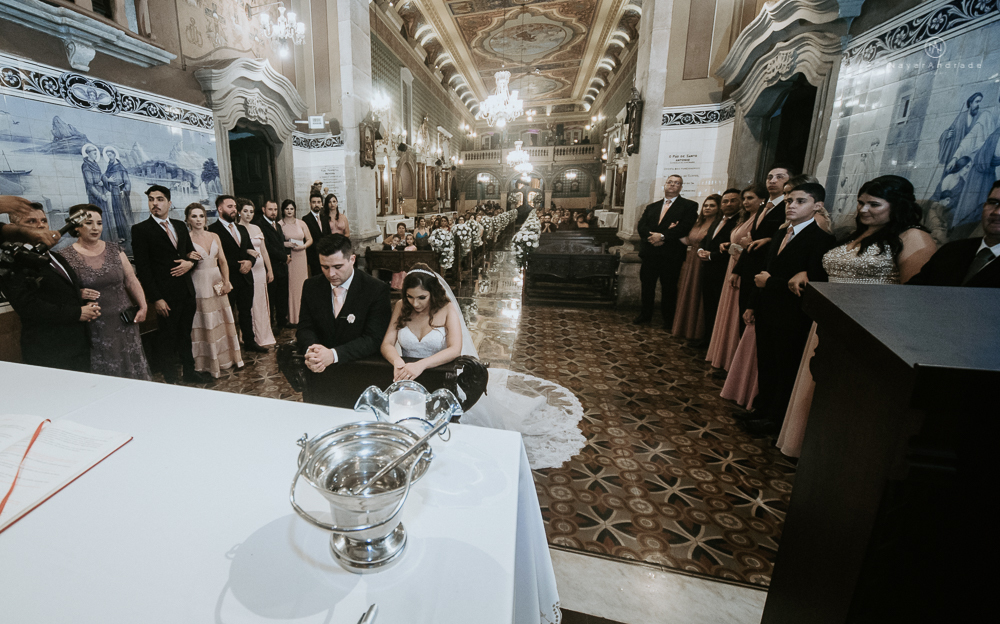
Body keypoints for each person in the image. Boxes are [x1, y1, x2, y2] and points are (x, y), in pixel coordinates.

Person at [777, 175, 937, 456]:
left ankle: (831, 454)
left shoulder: (913, 238)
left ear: (897, 205)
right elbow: (834, 269)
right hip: (829, 322)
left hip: (868, 328)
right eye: (861, 203)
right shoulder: (858, 234)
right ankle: (807, 447)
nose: (863, 210)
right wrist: (809, 274)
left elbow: (913, 297)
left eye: (873, 204)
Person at [379, 264, 587, 470]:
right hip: (407, 377)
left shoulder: (447, 308)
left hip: (441, 375)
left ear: (432, 292)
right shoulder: (400, 307)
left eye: (421, 297)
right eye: (410, 297)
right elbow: (387, 343)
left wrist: (421, 365)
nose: (415, 303)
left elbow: (454, 349)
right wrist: (398, 361)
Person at [741, 182, 837, 435]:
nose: (791, 206)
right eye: (788, 201)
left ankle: (775, 418)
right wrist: (752, 304)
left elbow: (810, 283)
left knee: (784, 366)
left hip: (791, 315)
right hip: (766, 309)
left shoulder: (821, 240)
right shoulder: (783, 234)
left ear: (817, 206)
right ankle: (761, 409)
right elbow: (764, 271)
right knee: (767, 362)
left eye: (800, 201)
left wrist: (770, 283)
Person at [0, 203, 95, 372]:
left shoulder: (56, 257)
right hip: (49, 351)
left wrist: (81, 297)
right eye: (31, 221)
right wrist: (77, 313)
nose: (40, 225)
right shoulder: (12, 263)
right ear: (14, 229)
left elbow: (57, 290)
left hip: (78, 347)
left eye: (44, 220)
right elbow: (27, 306)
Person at [62, 204, 151, 380]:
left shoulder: (114, 249)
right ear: (76, 227)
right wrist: (78, 293)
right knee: (106, 366)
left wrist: (143, 306)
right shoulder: (65, 256)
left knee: (132, 362)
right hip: (95, 324)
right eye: (89, 222)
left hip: (124, 319)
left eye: (99, 223)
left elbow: (131, 279)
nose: (96, 228)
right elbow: (61, 292)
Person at [131, 185, 209, 383]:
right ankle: (171, 378)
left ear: (169, 202)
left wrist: (189, 263)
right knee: (167, 338)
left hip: (186, 292)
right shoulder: (141, 230)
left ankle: (190, 372)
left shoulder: (180, 226)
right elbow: (144, 268)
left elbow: (193, 254)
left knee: (185, 335)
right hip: (165, 296)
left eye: (159, 199)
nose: (155, 203)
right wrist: (156, 298)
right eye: (151, 199)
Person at [297, 234, 392, 371]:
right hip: (317, 370)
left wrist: (334, 355)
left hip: (360, 369)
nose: (331, 274)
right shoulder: (311, 286)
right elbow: (305, 327)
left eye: (338, 266)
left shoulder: (376, 289)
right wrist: (312, 352)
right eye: (325, 267)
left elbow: (374, 338)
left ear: (352, 259)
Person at [707, 183, 766, 372]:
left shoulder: (760, 220)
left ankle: (732, 360)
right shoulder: (745, 218)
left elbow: (755, 248)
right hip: (734, 266)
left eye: (750, 198)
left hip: (743, 269)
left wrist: (744, 248)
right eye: (745, 198)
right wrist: (728, 244)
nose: (745, 202)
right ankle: (722, 356)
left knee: (736, 314)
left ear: (762, 200)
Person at [634, 175, 699, 328]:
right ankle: (645, 314)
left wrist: (662, 236)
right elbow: (642, 226)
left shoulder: (689, 206)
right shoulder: (652, 207)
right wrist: (654, 237)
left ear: (681, 187)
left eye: (677, 183)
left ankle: (668, 319)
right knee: (647, 286)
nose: (672, 185)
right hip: (650, 253)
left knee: (669, 288)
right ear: (665, 185)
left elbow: (684, 227)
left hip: (671, 255)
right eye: (670, 182)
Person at [185, 204, 243, 377]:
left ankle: (229, 359)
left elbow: (223, 261)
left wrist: (226, 281)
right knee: (205, 322)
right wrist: (187, 256)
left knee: (223, 319)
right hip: (199, 283)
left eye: (201, 216)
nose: (198, 220)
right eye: (194, 216)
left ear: (205, 218)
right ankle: (208, 364)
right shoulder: (186, 239)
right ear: (188, 219)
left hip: (217, 281)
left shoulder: (214, 236)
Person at [733, 164, 794, 324]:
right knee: (743, 315)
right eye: (769, 177)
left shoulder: (787, 208)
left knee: (756, 320)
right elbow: (750, 239)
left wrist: (768, 241)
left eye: (780, 177)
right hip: (749, 268)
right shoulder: (764, 207)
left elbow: (783, 241)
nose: (773, 181)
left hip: (766, 270)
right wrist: (738, 269)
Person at [908, 181, 1000, 287]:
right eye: (994, 203)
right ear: (984, 206)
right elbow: (913, 290)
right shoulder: (951, 250)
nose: (997, 212)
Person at [209, 195, 265, 353]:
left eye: (234, 207)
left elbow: (250, 251)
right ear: (220, 209)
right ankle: (230, 347)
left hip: (246, 278)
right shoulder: (213, 231)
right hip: (228, 279)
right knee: (227, 313)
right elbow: (219, 257)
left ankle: (250, 342)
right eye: (229, 207)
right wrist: (238, 266)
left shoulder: (241, 229)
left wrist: (249, 263)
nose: (234, 210)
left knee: (246, 311)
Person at [671, 194, 719, 341]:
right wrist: (675, 230)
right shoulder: (698, 223)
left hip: (703, 262)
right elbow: (689, 241)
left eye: (712, 206)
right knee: (688, 292)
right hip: (691, 260)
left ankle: (697, 331)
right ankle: (686, 329)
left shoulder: (716, 224)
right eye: (705, 205)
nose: (707, 208)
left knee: (698, 293)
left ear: (718, 208)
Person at [698, 188, 742, 343]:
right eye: (725, 201)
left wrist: (711, 255)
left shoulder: (738, 222)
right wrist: (701, 250)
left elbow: (732, 247)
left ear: (740, 202)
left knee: (718, 307)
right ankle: (707, 338)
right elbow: (706, 239)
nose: (728, 204)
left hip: (722, 270)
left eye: (733, 200)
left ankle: (714, 341)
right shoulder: (718, 220)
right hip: (708, 269)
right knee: (709, 305)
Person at [238, 199, 276, 347]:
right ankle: (249, 335)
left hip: (261, 271)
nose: (248, 214)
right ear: (240, 212)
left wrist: (269, 270)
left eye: (251, 212)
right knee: (250, 303)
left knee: (261, 302)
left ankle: (264, 334)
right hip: (249, 271)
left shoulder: (257, 228)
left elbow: (264, 250)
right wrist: (247, 250)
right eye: (245, 211)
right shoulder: (237, 228)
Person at [253, 199, 290, 329]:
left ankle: (282, 322)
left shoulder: (278, 225)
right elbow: (267, 247)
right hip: (271, 267)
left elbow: (280, 245)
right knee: (271, 297)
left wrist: (285, 256)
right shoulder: (259, 225)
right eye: (270, 209)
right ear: (263, 210)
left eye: (275, 209)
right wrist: (284, 257)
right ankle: (271, 325)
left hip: (282, 267)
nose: (273, 212)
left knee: (282, 296)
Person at [280, 199, 311, 326]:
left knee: (302, 285)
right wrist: (285, 243)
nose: (289, 211)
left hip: (301, 256)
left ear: (295, 210)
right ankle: (292, 317)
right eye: (287, 208)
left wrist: (303, 247)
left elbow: (309, 239)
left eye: (291, 209)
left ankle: (303, 315)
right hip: (290, 257)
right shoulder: (279, 224)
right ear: (283, 210)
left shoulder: (301, 223)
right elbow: (275, 243)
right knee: (291, 287)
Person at [302, 190, 329, 276]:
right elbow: (306, 238)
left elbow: (329, 235)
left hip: (326, 254)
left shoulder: (324, 218)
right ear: (310, 203)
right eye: (314, 202)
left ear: (322, 204)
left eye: (318, 202)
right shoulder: (306, 219)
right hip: (314, 256)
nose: (316, 204)